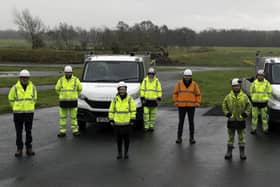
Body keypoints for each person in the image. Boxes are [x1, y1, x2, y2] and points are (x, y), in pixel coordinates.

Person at [8, 69, 37, 157]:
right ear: (20, 78)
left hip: (29, 113)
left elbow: (34, 99)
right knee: (18, 132)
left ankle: (29, 148)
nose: (24, 79)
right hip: (18, 114)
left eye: (26, 78)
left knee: (28, 132)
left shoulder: (33, 88)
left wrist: (30, 106)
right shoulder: (15, 88)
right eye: (23, 78)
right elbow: (10, 99)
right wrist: (15, 107)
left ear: (29, 78)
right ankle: (19, 149)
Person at [223, 78, 251, 160]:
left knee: (241, 137)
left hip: (241, 120)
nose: (236, 87)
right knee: (230, 137)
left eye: (237, 86)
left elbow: (249, 106)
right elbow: (224, 105)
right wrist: (227, 113)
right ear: (232, 87)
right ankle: (229, 152)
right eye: (234, 86)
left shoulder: (245, 97)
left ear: (240, 86)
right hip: (231, 120)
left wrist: (246, 113)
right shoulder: (228, 97)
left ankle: (242, 152)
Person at [173, 69, 201, 144]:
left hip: (191, 106)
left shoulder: (194, 85)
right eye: (186, 76)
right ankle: (179, 138)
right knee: (181, 122)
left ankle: (191, 138)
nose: (187, 77)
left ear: (191, 77)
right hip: (181, 106)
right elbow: (175, 93)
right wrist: (176, 101)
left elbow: (198, 95)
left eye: (189, 76)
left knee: (191, 122)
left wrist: (197, 102)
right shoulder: (179, 84)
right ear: (183, 76)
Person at [109, 81, 136, 160]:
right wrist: (111, 119)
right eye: (120, 89)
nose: (122, 91)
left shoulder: (129, 99)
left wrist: (132, 119)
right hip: (117, 124)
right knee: (119, 140)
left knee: (127, 140)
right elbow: (111, 110)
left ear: (126, 90)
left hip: (127, 124)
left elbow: (133, 110)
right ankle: (119, 153)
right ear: (118, 90)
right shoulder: (114, 99)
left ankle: (126, 153)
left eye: (123, 89)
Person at [55, 65, 82, 137]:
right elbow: (57, 89)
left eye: (69, 72)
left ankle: (75, 131)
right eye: (66, 72)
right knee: (63, 117)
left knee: (74, 117)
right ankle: (62, 131)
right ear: (64, 73)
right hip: (63, 102)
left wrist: (75, 95)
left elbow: (80, 89)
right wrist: (62, 95)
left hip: (73, 102)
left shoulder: (76, 80)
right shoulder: (60, 80)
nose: (68, 74)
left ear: (72, 72)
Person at [250, 69, 272, 135]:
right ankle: (253, 129)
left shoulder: (267, 83)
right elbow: (251, 91)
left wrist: (266, 99)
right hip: (255, 103)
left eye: (261, 75)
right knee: (254, 117)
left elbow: (269, 92)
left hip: (263, 103)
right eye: (259, 75)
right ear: (257, 76)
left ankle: (265, 130)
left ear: (263, 76)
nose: (260, 77)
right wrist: (253, 98)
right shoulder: (254, 83)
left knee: (264, 118)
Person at [140, 67, 162, 132]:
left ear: (154, 74)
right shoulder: (145, 80)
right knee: (146, 114)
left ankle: (151, 126)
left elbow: (159, 90)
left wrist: (159, 97)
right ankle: (146, 127)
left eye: (152, 74)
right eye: (150, 74)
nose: (151, 75)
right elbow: (142, 89)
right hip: (146, 101)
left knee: (152, 115)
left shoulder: (157, 81)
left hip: (154, 101)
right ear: (148, 74)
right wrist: (142, 97)